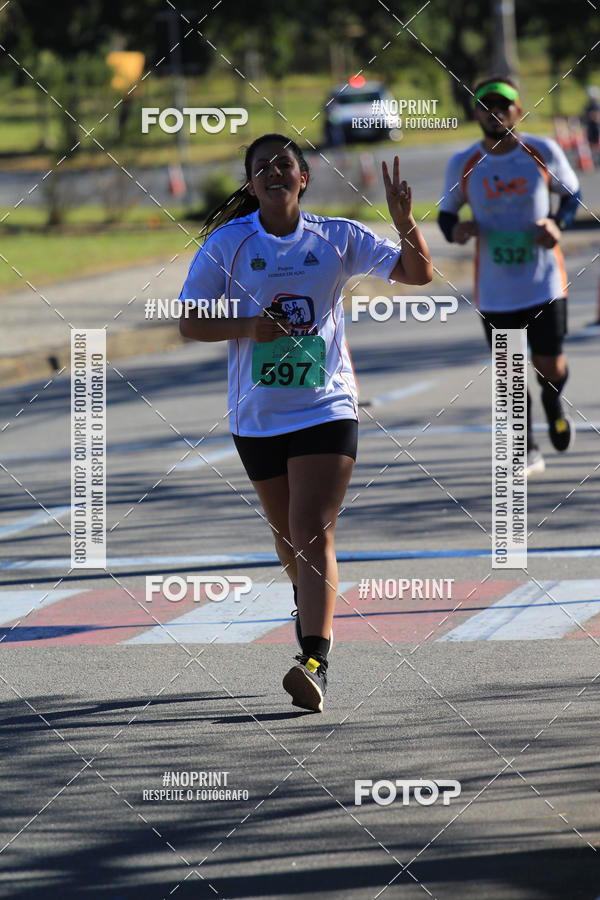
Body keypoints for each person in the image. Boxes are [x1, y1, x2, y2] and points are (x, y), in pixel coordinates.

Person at [179, 133, 432, 712]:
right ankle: (308, 596)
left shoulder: (336, 237)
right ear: (250, 183)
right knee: (288, 537)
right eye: (261, 166)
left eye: (284, 164)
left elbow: (417, 274)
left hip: (326, 407)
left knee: (312, 528)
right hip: (257, 416)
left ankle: (314, 658)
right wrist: (247, 327)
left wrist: (405, 222)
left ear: (303, 177)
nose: (273, 172)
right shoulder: (228, 244)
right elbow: (189, 321)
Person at [438, 76, 581, 476]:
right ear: (475, 112)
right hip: (495, 290)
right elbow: (447, 214)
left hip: (544, 281)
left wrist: (557, 224)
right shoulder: (464, 163)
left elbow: (571, 194)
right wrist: (458, 230)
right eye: (486, 106)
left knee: (549, 366)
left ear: (518, 110)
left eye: (502, 105)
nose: (494, 112)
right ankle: (527, 448)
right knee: (510, 374)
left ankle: (553, 405)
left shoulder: (541, 151)